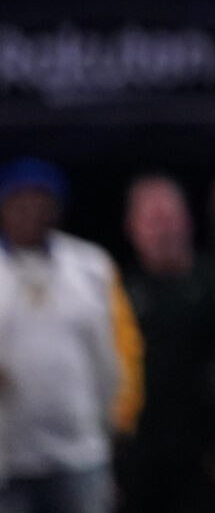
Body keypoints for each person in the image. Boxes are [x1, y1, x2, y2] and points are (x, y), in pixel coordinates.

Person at [0, 159, 140, 513]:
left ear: (57, 209)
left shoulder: (91, 265)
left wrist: (119, 421)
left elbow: (123, 346)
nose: (31, 212)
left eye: (41, 202)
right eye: (20, 202)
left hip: (81, 451)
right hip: (8, 457)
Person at [116, 176, 215, 513]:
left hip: (212, 454)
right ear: (132, 228)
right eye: (152, 220)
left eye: (168, 217)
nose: (163, 230)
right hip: (140, 458)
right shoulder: (119, 296)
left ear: (188, 220)